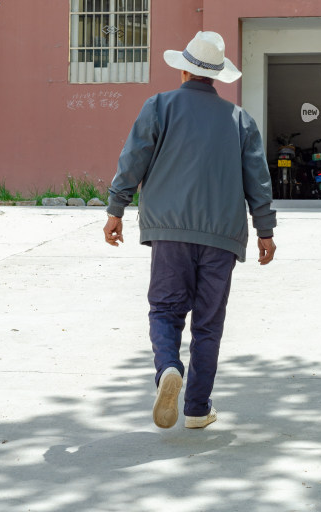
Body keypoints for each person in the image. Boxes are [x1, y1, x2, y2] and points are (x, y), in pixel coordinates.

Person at [103, 31, 276, 430]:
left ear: (183, 69)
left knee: (165, 309)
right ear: (216, 76)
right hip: (222, 236)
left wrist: (116, 209)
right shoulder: (239, 119)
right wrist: (265, 231)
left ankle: (167, 368)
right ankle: (197, 409)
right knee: (208, 323)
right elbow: (258, 181)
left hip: (170, 230)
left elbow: (133, 161)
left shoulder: (159, 106)